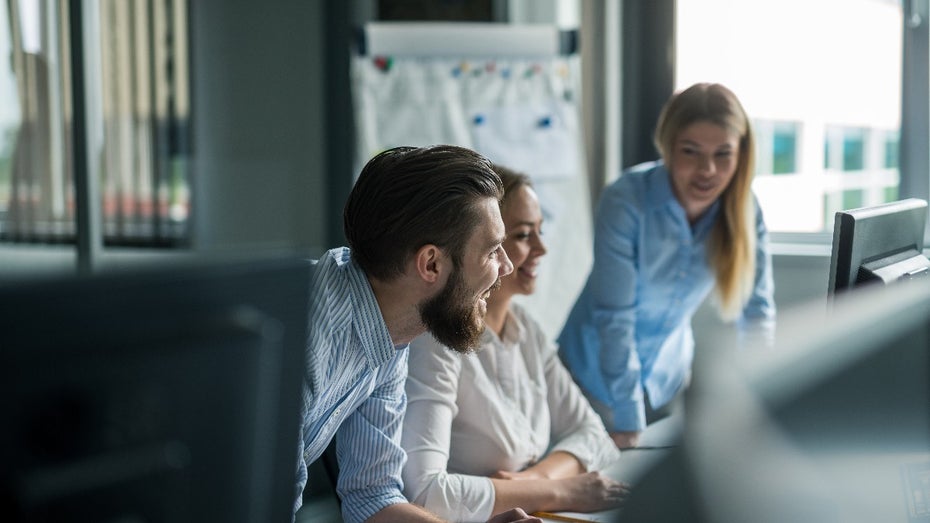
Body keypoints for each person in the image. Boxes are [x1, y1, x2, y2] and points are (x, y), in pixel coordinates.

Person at [296, 145, 544, 523]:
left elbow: (373, 496)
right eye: (493, 251)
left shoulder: (391, 334)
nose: (507, 266)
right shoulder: (308, 331)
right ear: (431, 263)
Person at [401, 165, 629, 522]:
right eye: (523, 235)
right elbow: (426, 496)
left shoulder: (526, 329)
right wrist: (559, 490)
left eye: (540, 231)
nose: (541, 248)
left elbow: (592, 434)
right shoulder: (435, 341)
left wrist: (531, 480)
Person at [558, 83, 776, 449]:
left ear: (741, 155)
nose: (707, 170)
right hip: (591, 380)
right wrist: (628, 418)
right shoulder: (626, 199)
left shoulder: (744, 209)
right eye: (691, 152)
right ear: (668, 146)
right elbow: (615, 317)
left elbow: (757, 314)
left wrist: (764, 402)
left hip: (666, 380)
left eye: (723, 154)